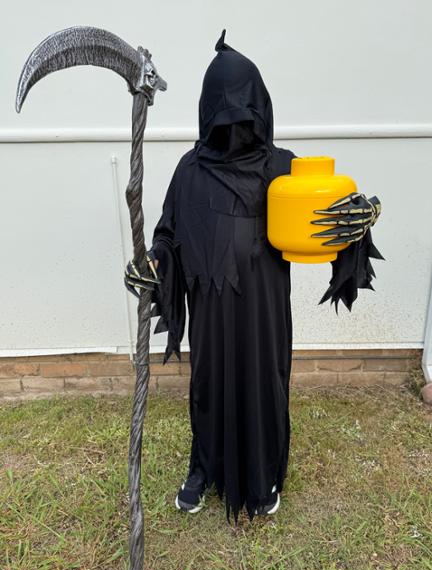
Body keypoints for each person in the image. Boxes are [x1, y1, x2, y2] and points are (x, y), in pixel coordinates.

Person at [125, 31, 382, 524]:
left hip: (264, 309)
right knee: (208, 384)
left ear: (260, 108)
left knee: (264, 384)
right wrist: (152, 265)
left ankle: (263, 477)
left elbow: (328, 217)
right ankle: (203, 468)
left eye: (243, 114)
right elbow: (169, 237)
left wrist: (361, 217)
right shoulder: (189, 171)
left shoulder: (284, 169)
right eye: (224, 114)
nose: (234, 125)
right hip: (211, 309)